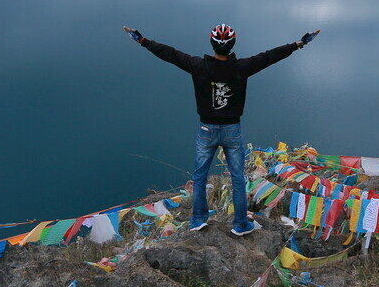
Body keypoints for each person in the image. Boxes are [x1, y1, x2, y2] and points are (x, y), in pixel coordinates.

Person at [123, 24, 320, 236]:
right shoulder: (242, 67)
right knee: (237, 178)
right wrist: (298, 44)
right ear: (233, 44)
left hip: (206, 129)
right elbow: (269, 56)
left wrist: (143, 41)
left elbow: (170, 54)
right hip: (232, 131)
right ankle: (240, 224)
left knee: (199, 177)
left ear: (212, 43)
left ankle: (198, 220)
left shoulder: (198, 65)